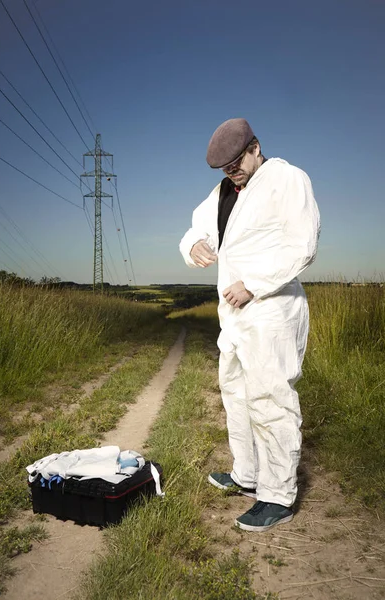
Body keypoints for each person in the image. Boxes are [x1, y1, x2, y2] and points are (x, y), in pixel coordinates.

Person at [179, 118, 320, 532]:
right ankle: (248, 476)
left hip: (272, 310)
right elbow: (193, 229)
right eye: (224, 167)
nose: (232, 170)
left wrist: (255, 286)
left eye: (237, 162)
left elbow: (303, 244)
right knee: (236, 394)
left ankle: (277, 496)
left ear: (256, 147)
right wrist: (194, 245)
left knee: (269, 398)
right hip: (235, 316)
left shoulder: (286, 179)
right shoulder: (223, 190)